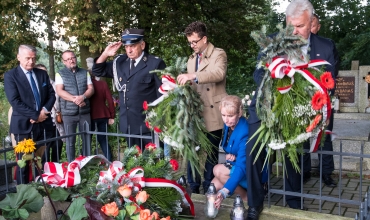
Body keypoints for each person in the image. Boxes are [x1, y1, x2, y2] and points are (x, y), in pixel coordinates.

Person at [246, 0, 339, 218]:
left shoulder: (325, 47)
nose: (295, 31)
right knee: (254, 154)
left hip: (300, 113)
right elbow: (258, 74)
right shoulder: (271, 42)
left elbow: (329, 81)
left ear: (312, 22)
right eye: (291, 25)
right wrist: (278, 77)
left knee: (294, 159)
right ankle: (254, 204)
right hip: (267, 107)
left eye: (301, 26)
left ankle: (294, 204)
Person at [92, 28, 166, 149]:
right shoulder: (120, 63)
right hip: (128, 124)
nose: (129, 50)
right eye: (126, 47)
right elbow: (97, 70)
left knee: (154, 164)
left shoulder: (155, 64)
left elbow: (162, 96)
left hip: (148, 125)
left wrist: (160, 122)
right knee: (134, 164)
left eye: (132, 46)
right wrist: (105, 54)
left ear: (142, 45)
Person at [177, 21, 227, 194]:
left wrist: (194, 75)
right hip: (195, 114)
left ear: (204, 39)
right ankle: (193, 186)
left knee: (212, 153)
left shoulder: (219, 54)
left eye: (195, 42)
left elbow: (218, 74)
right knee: (192, 152)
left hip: (213, 112)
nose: (192, 46)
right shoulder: (191, 59)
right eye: (190, 42)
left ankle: (208, 186)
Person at [4, 44, 56, 184]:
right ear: (19, 57)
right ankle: (24, 194)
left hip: (43, 124)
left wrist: (44, 111)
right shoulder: (11, 76)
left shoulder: (42, 74)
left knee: (44, 161)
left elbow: (52, 95)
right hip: (23, 126)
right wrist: (35, 115)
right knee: (23, 164)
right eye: (27, 58)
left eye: (33, 58)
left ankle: (44, 190)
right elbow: (15, 101)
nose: (31, 62)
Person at [303, 12, 338, 187]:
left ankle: (326, 173)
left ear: (317, 26)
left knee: (324, 137)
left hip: (322, 99)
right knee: (302, 137)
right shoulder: (296, 44)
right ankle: (304, 171)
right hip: (302, 101)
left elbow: (332, 72)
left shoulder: (327, 45)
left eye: (313, 25)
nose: (311, 28)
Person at [55, 50, 94, 162]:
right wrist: (76, 99)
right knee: (70, 142)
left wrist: (83, 97)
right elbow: (60, 91)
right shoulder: (60, 73)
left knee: (86, 140)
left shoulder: (84, 72)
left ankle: (86, 165)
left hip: (84, 111)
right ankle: (71, 166)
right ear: (64, 62)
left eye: (73, 57)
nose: (71, 60)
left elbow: (91, 88)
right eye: (68, 59)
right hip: (68, 113)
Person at [212, 95, 249, 207]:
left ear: (239, 113)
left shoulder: (245, 131)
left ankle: (246, 197)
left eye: (230, 116)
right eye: (223, 115)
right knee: (213, 187)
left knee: (218, 170)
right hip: (237, 163)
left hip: (248, 172)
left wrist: (224, 192)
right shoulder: (230, 124)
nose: (226, 119)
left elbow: (243, 166)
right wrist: (234, 156)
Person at [35, 63, 65, 162]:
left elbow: (61, 100)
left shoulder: (56, 85)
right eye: (41, 72)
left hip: (55, 122)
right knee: (44, 148)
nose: (44, 74)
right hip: (42, 123)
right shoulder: (35, 87)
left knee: (58, 144)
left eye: (45, 72)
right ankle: (45, 169)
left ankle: (56, 166)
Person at [87, 58, 115, 161]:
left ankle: (86, 162)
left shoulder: (85, 86)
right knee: (103, 139)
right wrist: (112, 115)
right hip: (103, 115)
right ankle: (109, 162)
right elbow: (110, 101)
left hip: (90, 116)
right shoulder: (103, 84)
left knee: (87, 140)